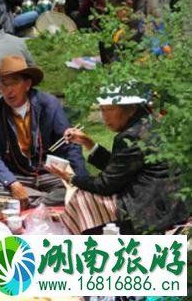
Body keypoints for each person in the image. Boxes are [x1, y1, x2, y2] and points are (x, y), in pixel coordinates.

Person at [46, 88, 188, 234]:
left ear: (131, 109)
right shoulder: (149, 124)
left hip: (153, 207)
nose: (105, 117)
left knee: (82, 198)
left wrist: (70, 177)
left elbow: (105, 185)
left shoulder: (132, 135)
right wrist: (88, 143)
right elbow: (121, 167)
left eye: (110, 109)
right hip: (173, 202)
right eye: (102, 110)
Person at [0, 56, 88, 207]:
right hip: (17, 176)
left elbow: (70, 143)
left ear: (27, 84)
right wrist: (12, 184)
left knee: (77, 189)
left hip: (50, 174)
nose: (9, 90)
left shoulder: (49, 105)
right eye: (4, 84)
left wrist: (80, 178)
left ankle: (30, 200)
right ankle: (45, 200)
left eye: (15, 83)